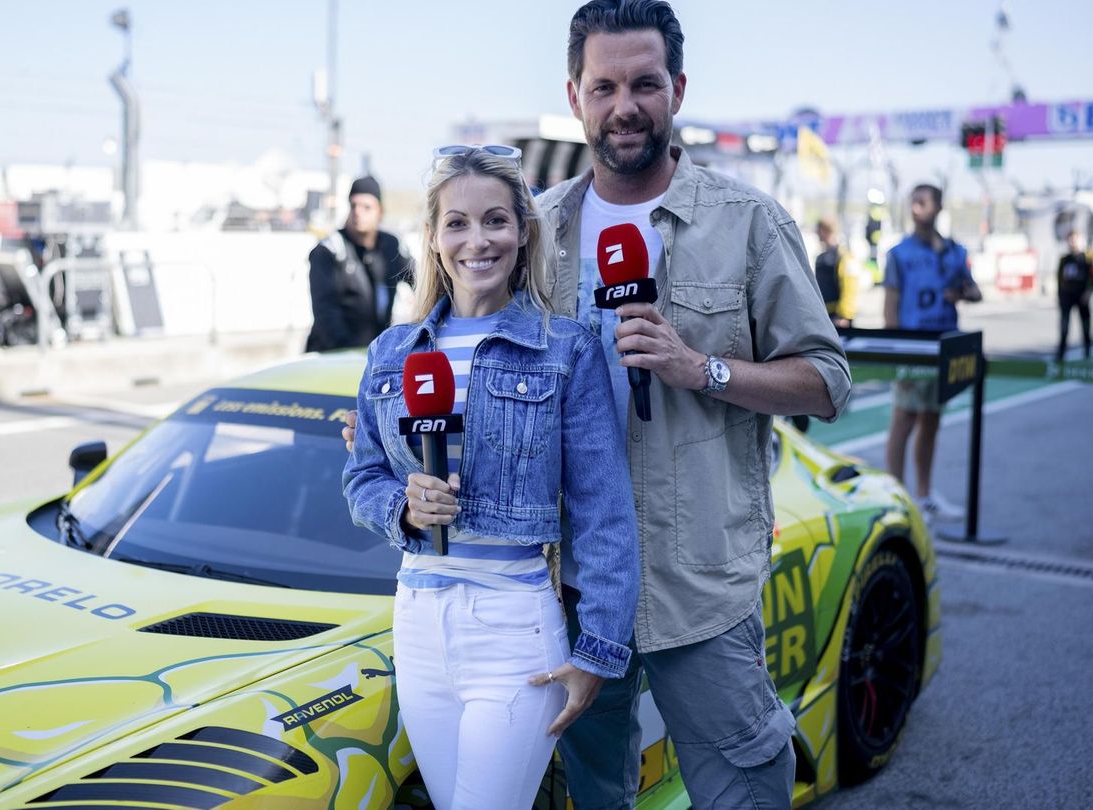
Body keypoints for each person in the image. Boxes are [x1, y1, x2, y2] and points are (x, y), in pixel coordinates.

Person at [346, 3, 850, 807]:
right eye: (604, 85)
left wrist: (700, 368)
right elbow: (474, 366)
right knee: (596, 795)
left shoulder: (749, 223)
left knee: (742, 790)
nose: (625, 106)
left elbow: (827, 381)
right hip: (560, 592)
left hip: (701, 587)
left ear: (677, 89)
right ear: (575, 95)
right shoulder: (530, 229)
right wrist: (390, 435)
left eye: (645, 84)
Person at [343, 146, 639, 810]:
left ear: (524, 232)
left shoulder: (565, 349)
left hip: (512, 627)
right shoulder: (392, 352)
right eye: (458, 223)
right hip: (417, 622)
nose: (478, 240)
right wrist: (405, 507)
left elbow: (604, 513)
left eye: (496, 220)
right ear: (434, 238)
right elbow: (360, 476)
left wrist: (598, 649)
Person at [883, 183, 982, 522]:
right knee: (904, 419)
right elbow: (890, 306)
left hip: (944, 345)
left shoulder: (954, 250)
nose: (916, 208)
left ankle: (923, 495)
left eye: (923, 202)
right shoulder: (899, 253)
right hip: (913, 346)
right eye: (913, 202)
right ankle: (896, 497)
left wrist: (964, 293)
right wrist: (896, 353)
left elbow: (975, 291)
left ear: (938, 207)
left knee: (931, 420)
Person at [304, 176, 413, 352]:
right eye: (353, 205)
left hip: (374, 355)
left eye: (366, 207)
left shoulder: (391, 246)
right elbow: (325, 314)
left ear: (380, 211)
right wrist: (351, 353)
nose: (358, 212)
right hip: (332, 357)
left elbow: (422, 283)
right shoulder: (329, 250)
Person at [1056, 230, 1093, 362]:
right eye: (1070, 239)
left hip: (1082, 296)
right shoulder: (1064, 259)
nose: (1073, 242)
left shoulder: (1088, 257)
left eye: (1075, 239)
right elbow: (1059, 278)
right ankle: (1061, 355)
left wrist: (1089, 292)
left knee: (1085, 326)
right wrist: (1060, 296)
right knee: (1064, 327)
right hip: (1067, 297)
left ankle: (1087, 354)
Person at [814, 217, 857, 328]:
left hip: (838, 319)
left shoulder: (844, 256)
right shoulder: (821, 257)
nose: (816, 233)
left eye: (818, 230)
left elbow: (850, 287)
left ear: (825, 230)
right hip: (824, 316)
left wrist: (844, 315)